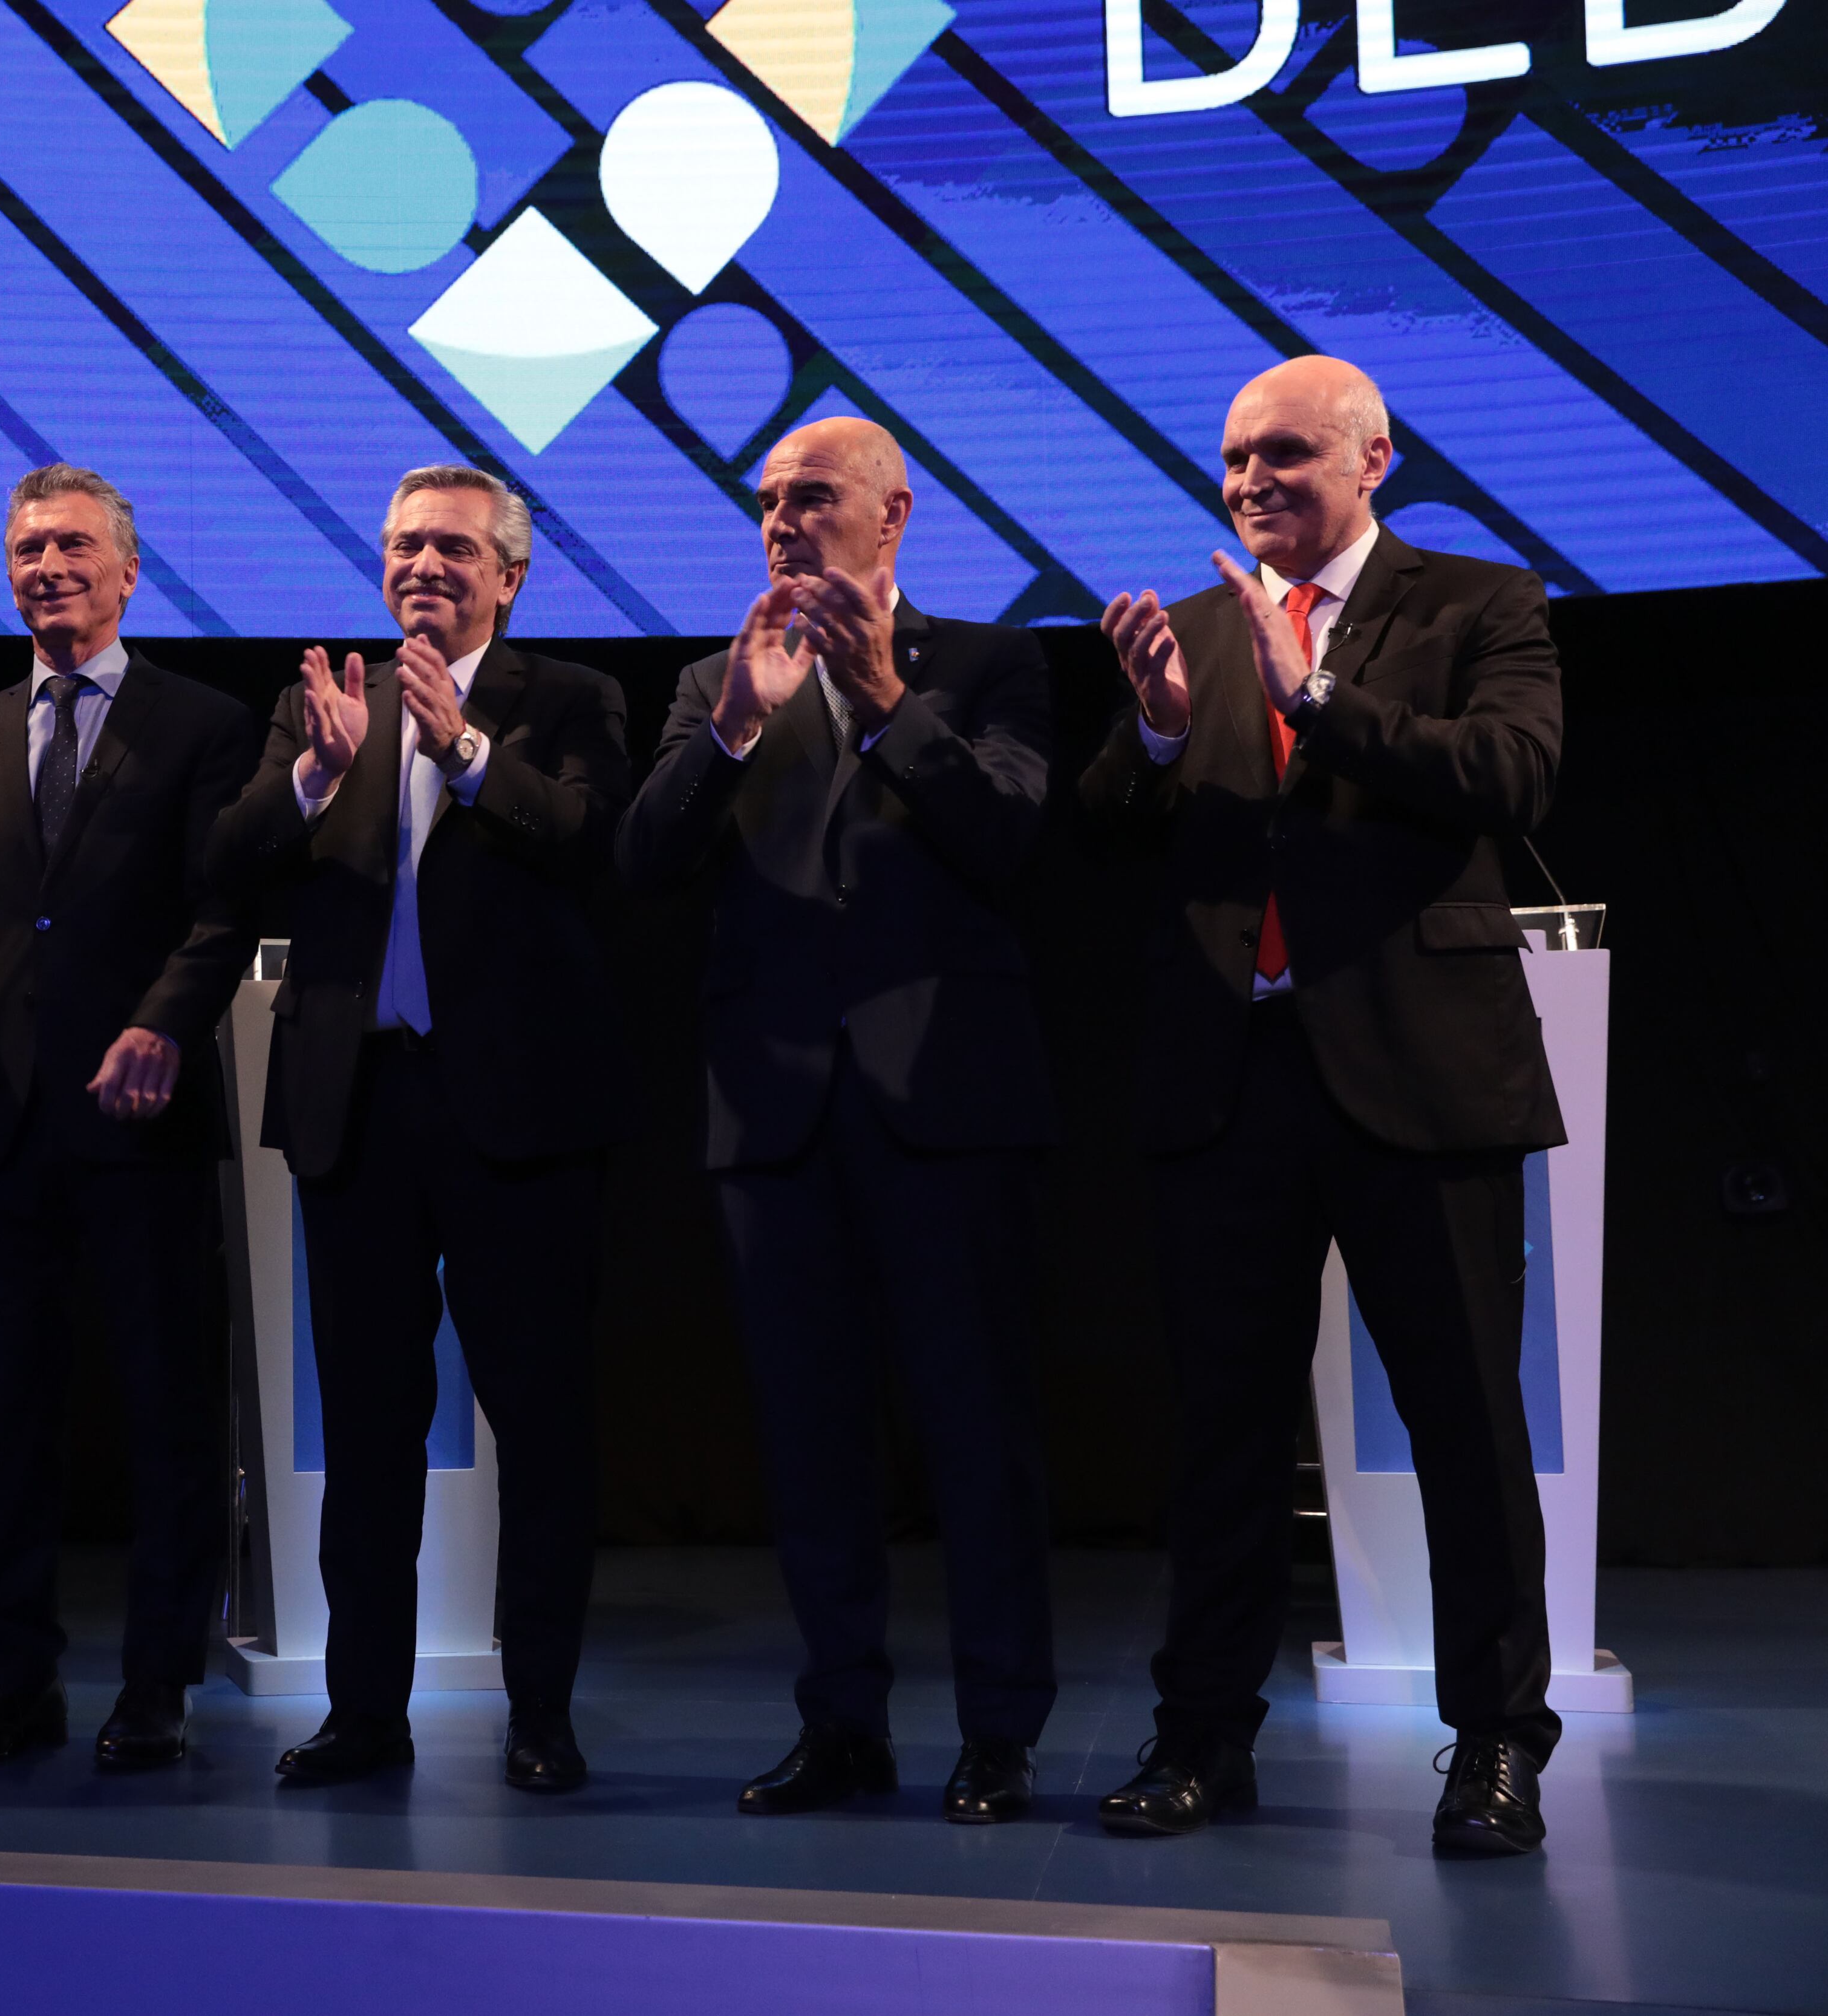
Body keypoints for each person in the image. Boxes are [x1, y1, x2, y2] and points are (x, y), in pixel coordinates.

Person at [1085, 355, 1567, 1857]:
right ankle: (1200, 1735)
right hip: (1233, 1078)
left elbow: (1511, 774)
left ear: (1372, 459)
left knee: (1465, 1424)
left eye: (1283, 454)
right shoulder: (1199, 629)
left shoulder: (1476, 602)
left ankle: (1495, 1744)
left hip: (1420, 1070)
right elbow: (1104, 830)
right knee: (1222, 1430)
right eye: (1234, 457)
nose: (1248, 482)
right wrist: (1157, 733)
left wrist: (1317, 695)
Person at [615, 419, 1059, 1824]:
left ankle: (999, 1728)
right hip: (775, 1113)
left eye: (809, 495)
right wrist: (735, 728)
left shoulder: (989, 661)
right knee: (810, 1438)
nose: (781, 520)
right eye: (765, 501)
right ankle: (841, 1722)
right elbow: (644, 859)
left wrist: (882, 698)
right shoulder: (714, 679)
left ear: (892, 513)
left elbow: (1008, 835)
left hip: (945, 1104)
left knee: (975, 1431)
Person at [207, 465, 632, 1792]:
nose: (422, 566)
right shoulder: (324, 702)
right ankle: (362, 1714)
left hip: (518, 1113)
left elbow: (596, 843)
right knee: (369, 1428)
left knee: (541, 1425)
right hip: (358, 1105)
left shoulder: (572, 698)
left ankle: (541, 1712)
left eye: (451, 546)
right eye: (403, 545)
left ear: (510, 573)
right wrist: (312, 776)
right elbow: (225, 860)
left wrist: (468, 753)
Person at [0, 466, 260, 1770]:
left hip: (140, 1121)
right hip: (0, 1125)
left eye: (70, 545)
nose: (45, 566)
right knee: (7, 1421)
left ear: (128, 570)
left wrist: (161, 1023)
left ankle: (157, 1683)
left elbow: (223, 905)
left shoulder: (205, 722)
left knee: (166, 1415)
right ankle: (16, 1683)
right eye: (25, 548)